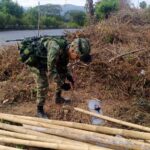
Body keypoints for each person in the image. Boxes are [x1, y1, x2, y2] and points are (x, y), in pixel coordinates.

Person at [19, 36, 91, 118]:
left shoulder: (66, 48)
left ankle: (58, 98)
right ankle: (39, 110)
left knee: (62, 74)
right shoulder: (55, 48)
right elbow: (51, 71)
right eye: (77, 57)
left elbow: (62, 67)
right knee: (43, 84)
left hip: (46, 60)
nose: (76, 60)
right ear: (72, 50)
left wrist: (69, 76)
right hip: (36, 61)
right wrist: (62, 84)